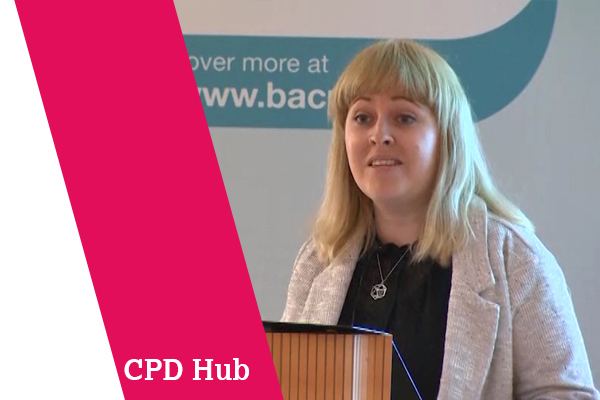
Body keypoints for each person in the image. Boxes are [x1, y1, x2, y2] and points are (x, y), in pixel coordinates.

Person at [280, 39, 599, 399]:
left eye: (404, 118)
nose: (379, 135)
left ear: (447, 136)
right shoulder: (318, 258)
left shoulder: (514, 259)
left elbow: (568, 394)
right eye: (362, 118)